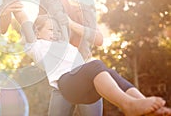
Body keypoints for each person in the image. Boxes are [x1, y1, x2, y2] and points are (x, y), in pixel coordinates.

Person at [13, 9, 171, 116]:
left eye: (58, 30)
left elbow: (85, 66)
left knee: (110, 73)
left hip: (83, 83)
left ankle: (143, 103)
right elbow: (23, 20)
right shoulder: (37, 46)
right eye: (50, 30)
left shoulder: (67, 47)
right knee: (95, 64)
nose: (55, 34)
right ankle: (128, 105)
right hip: (66, 83)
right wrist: (15, 6)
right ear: (37, 32)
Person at [39, 0, 104, 115]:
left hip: (86, 77)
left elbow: (99, 39)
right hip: (62, 82)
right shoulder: (43, 21)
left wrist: (71, 23)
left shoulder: (81, 9)